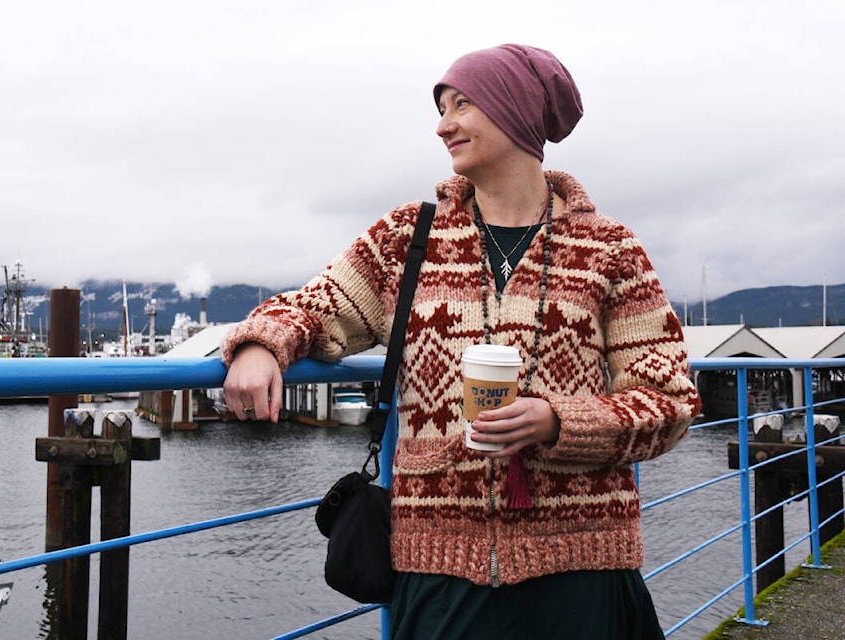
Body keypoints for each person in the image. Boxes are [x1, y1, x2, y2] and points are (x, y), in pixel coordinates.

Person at [222, 44, 701, 640]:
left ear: (518, 111)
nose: (443, 124)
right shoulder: (408, 238)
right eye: (442, 107)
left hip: (583, 568)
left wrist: (558, 422)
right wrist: (261, 345)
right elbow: (314, 306)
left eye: (464, 104)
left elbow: (669, 402)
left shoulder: (609, 250)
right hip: (439, 571)